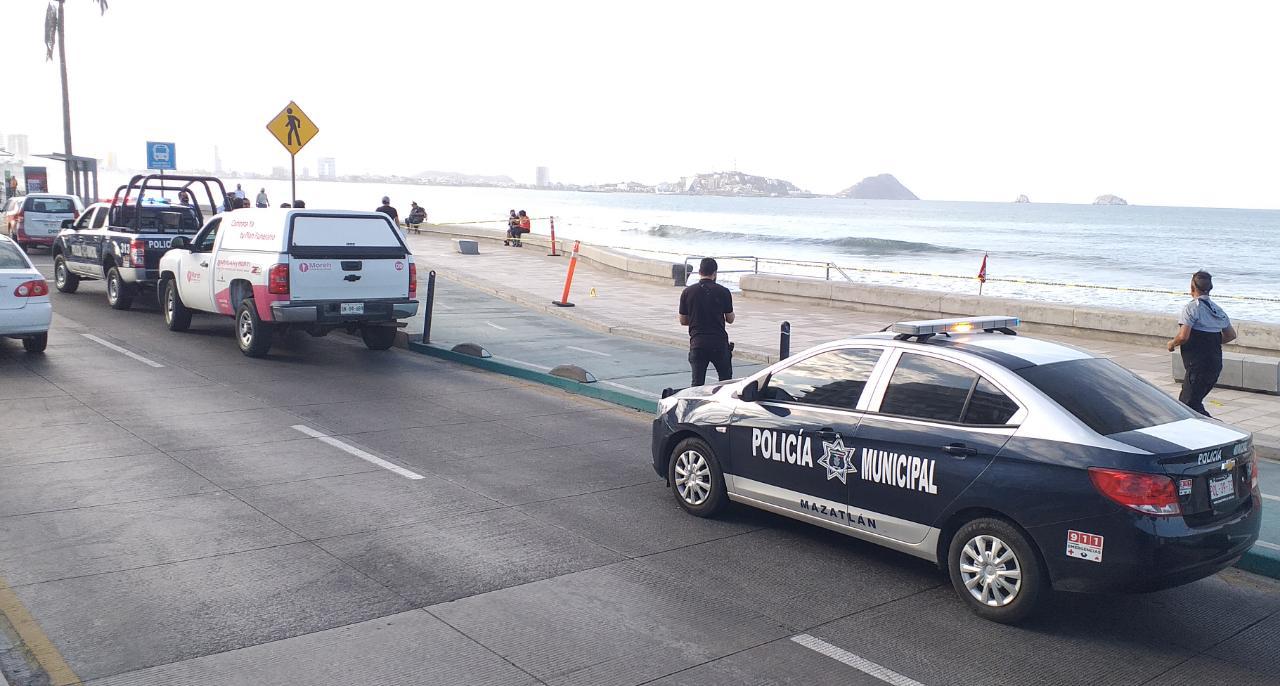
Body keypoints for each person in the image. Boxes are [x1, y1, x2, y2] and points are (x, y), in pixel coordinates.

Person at [1167, 270, 1237, 416]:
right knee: (1194, 403)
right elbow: (1230, 335)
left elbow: (1184, 336)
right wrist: (1212, 343)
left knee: (1187, 407)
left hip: (1198, 365)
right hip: (1215, 363)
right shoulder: (1218, 310)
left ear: (1192, 288)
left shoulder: (1191, 308)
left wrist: (1172, 343)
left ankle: (1217, 432)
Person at [679, 257, 735, 386]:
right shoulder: (724, 292)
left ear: (699, 272)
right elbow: (730, 319)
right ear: (715, 273)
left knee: (697, 383)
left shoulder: (687, 292)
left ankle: (696, 405)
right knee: (726, 381)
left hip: (698, 343)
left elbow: (683, 320)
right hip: (719, 343)